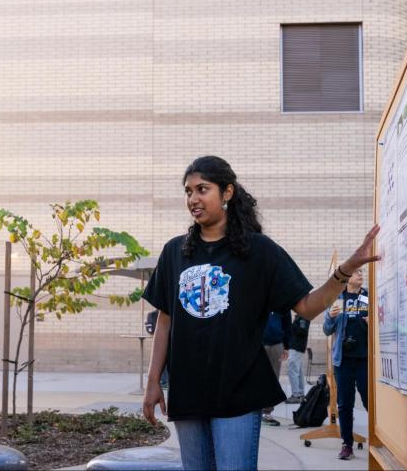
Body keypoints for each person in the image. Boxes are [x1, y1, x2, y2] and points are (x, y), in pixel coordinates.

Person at [142, 155, 379, 470]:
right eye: (188, 192)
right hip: (188, 392)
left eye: (202, 189)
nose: (193, 199)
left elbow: (307, 307)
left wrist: (344, 272)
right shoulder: (175, 252)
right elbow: (166, 321)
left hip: (238, 391)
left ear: (227, 193)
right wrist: (153, 381)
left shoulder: (259, 252)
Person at [323, 268, 369, 461]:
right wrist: (331, 317)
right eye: (357, 272)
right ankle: (347, 444)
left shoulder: (367, 296)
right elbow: (326, 330)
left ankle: (377, 438)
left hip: (365, 358)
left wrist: (371, 321)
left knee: (369, 401)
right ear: (348, 278)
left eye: (361, 272)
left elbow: (379, 323)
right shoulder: (337, 298)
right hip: (343, 360)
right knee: (345, 404)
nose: (361, 274)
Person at [261, 311, 290, 425]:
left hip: (277, 344)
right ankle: (255, 410)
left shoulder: (281, 301)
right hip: (260, 343)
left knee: (273, 379)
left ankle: (267, 412)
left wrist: (286, 346)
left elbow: (287, 325)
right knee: (257, 378)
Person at [285, 314, 310, 404]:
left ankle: (296, 395)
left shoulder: (303, 316)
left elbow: (302, 331)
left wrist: (292, 327)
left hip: (296, 347)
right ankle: (300, 394)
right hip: (296, 346)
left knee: (293, 371)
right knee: (298, 371)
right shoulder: (301, 316)